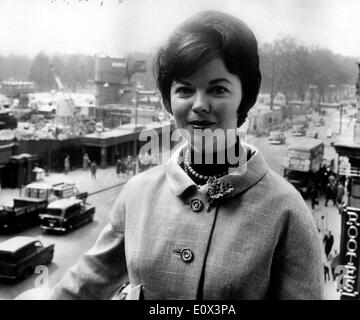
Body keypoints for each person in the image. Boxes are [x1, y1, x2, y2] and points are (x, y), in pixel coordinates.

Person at [21, 11, 323, 300]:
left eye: (218, 89)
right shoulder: (138, 194)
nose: (199, 104)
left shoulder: (287, 211)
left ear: (245, 97)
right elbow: (86, 283)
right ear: (169, 99)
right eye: (184, 90)